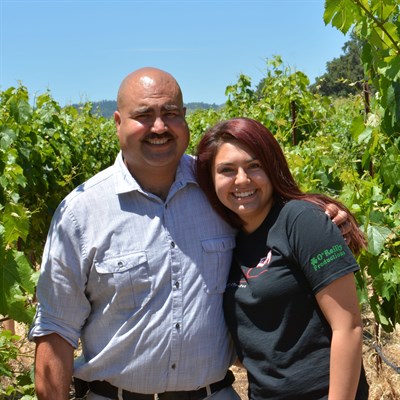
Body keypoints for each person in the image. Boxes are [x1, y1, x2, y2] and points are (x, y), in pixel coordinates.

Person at [29, 67, 351, 400]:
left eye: (170, 114)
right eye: (144, 115)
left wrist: (319, 210)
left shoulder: (219, 187)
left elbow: (277, 213)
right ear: (117, 122)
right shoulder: (81, 212)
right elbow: (56, 328)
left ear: (184, 118)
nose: (159, 127)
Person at [196, 117, 369, 400]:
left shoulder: (301, 221)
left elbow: (348, 327)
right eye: (227, 170)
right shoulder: (228, 239)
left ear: (272, 167)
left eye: (254, 166)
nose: (242, 180)